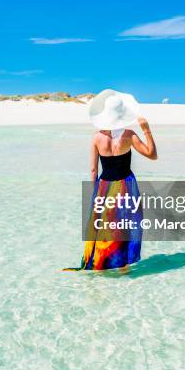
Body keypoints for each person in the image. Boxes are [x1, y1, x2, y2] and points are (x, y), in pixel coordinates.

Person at [63, 89, 157, 271]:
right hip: (126, 185)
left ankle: (101, 263)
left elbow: (93, 169)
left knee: (104, 226)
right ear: (122, 115)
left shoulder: (97, 137)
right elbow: (152, 155)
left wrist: (94, 194)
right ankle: (122, 265)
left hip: (104, 186)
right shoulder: (129, 135)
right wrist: (147, 131)